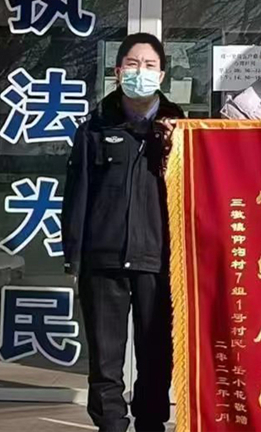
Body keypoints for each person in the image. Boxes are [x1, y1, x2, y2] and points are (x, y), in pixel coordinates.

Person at [62, 33, 184, 432]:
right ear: (117, 72)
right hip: (104, 260)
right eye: (132, 64)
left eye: (149, 66)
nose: (140, 72)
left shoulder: (181, 131)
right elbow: (77, 195)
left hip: (159, 261)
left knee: (156, 355)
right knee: (105, 359)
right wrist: (74, 256)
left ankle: (151, 423)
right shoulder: (94, 128)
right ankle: (110, 424)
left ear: (162, 75)